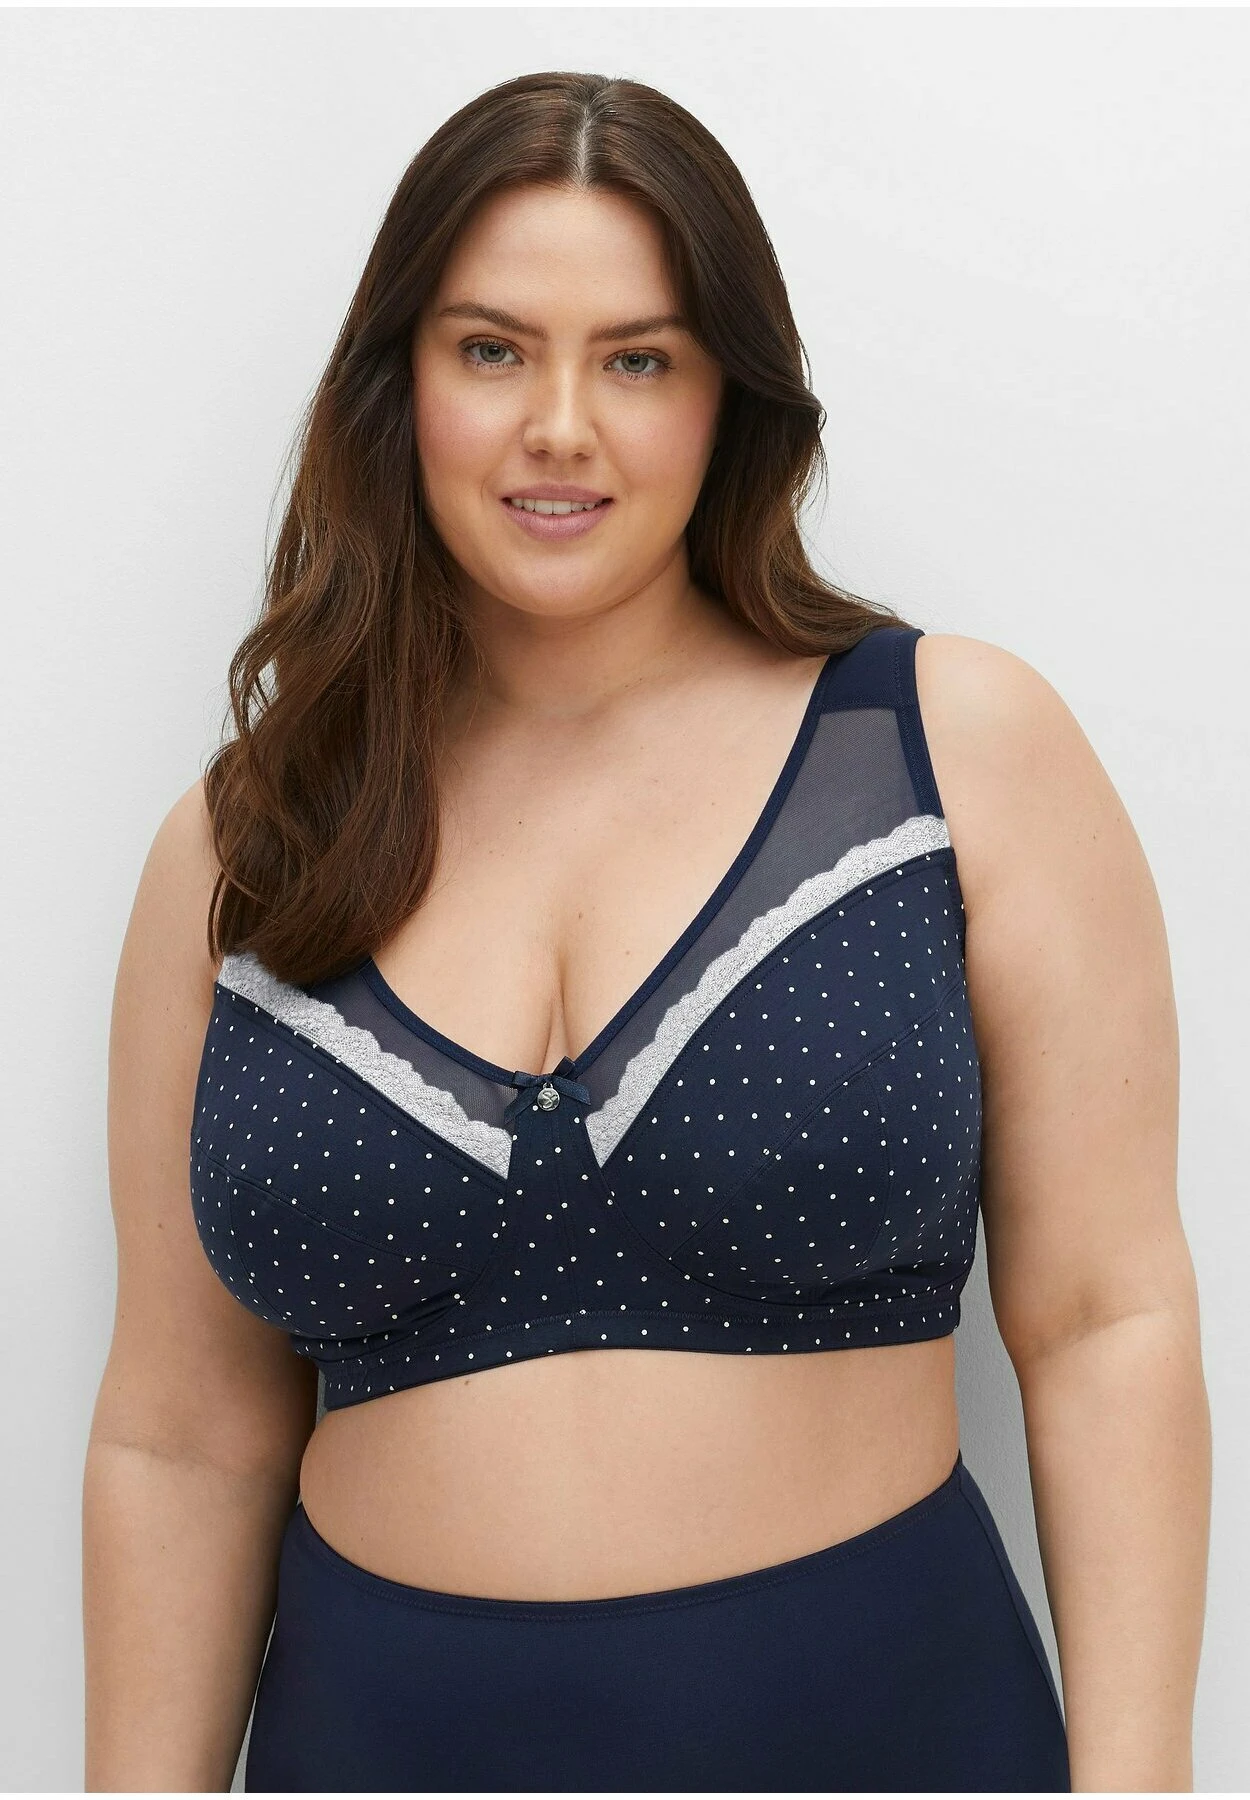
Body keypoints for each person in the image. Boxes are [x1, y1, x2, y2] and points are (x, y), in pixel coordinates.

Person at [83, 70, 1210, 1794]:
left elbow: (1103, 1322)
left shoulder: (944, 753)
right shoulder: (247, 849)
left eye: (636, 360)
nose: (559, 426)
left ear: (725, 399)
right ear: (396, 386)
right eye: (490, 350)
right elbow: (181, 1440)